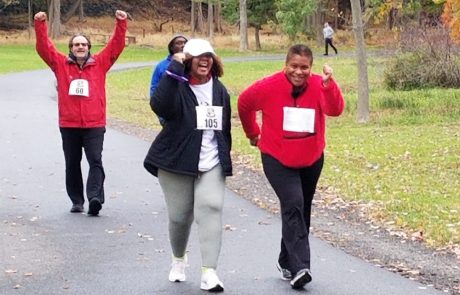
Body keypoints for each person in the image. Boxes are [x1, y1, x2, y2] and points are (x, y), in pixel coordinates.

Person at [237, 44, 344, 289]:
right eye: (294, 66)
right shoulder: (268, 86)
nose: (299, 72)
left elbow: (336, 110)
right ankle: (300, 268)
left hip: (311, 157)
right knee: (293, 203)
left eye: (304, 67)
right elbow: (244, 103)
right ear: (286, 65)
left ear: (311, 68)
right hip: (277, 157)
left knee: (302, 208)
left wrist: (329, 85)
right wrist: (253, 133)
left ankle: (286, 260)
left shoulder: (319, 85)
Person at [144, 39, 232, 292]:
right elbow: (159, 105)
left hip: (211, 159)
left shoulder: (220, 90)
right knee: (180, 216)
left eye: (209, 56)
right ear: (188, 60)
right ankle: (178, 259)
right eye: (198, 56)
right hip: (176, 160)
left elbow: (224, 128)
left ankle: (209, 272)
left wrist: (225, 157)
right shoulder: (176, 85)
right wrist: (174, 67)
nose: (204, 60)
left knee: (211, 208)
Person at [34, 10, 128, 216]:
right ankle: (77, 200)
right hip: (69, 124)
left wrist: (121, 22)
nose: (80, 47)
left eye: (84, 44)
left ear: (89, 48)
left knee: (95, 160)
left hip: (95, 124)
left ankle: (95, 198)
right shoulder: (60, 64)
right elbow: (44, 49)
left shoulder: (100, 63)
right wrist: (40, 24)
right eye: (76, 44)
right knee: (72, 163)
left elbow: (116, 47)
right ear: (71, 48)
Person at [149, 33, 188, 126]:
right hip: (168, 114)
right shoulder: (162, 66)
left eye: (185, 43)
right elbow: (154, 90)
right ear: (171, 47)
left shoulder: (192, 65)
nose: (183, 45)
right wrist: (161, 116)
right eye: (178, 43)